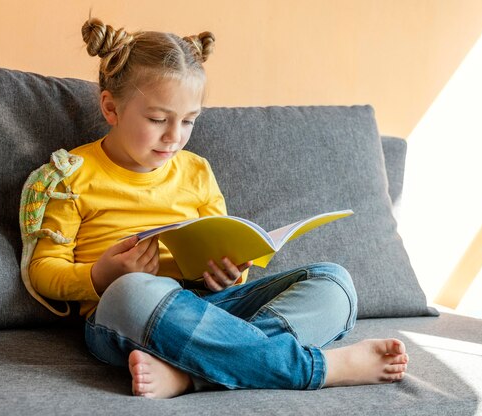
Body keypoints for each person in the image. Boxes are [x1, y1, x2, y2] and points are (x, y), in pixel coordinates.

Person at [29, 17, 409, 399]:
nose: (174, 137)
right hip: (126, 315)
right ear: (111, 109)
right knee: (132, 290)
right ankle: (316, 368)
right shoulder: (69, 176)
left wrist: (227, 275)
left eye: (189, 121)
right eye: (158, 119)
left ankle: (190, 376)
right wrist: (100, 275)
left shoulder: (196, 171)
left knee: (335, 284)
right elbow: (42, 271)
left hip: (210, 307)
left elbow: (220, 245)